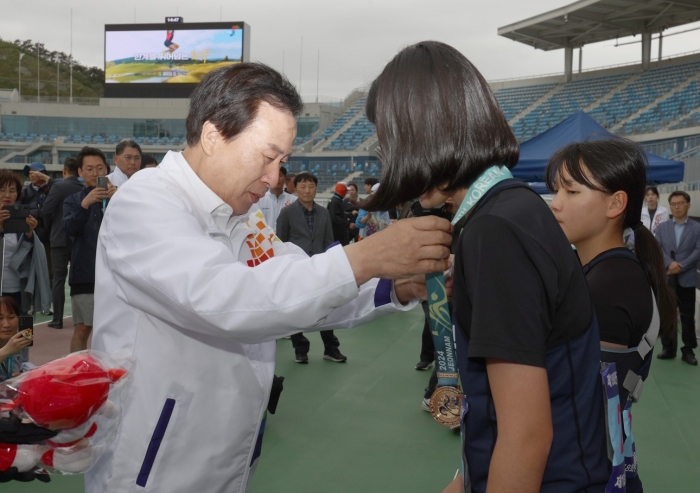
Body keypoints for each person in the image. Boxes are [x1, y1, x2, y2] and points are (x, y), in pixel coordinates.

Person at [86, 63, 452, 493]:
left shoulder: (241, 217)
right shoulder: (145, 202)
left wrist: (395, 284)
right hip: (155, 468)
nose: (275, 177)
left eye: (282, 161)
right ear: (212, 136)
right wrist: (365, 257)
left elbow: (293, 285)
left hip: (225, 459)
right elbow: (225, 299)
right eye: (267, 156)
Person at [365, 41, 608, 493]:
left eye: (391, 142)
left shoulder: (496, 230)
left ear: (425, 134)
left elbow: (527, 436)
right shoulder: (508, 211)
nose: (390, 159)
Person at [546, 139, 677, 492]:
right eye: (556, 190)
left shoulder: (609, 283)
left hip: (580, 469)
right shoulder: (602, 272)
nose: (555, 204)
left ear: (615, 203)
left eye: (571, 191)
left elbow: (574, 400)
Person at [277, 172, 346, 363]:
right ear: (295, 189)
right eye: (303, 187)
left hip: (320, 266)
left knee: (326, 306)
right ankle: (300, 349)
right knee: (297, 308)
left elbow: (329, 240)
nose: (307, 191)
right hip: (297, 268)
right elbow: (281, 242)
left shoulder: (324, 213)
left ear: (316, 188)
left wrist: (331, 262)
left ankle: (331, 348)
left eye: (311, 187)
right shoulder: (287, 213)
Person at [63, 147, 117, 353]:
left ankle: (108, 372)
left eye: (100, 168)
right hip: (85, 274)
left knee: (114, 328)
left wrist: (117, 200)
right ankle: (77, 373)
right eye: (89, 169)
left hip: (115, 275)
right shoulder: (73, 201)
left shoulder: (119, 197)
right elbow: (69, 229)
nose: (95, 173)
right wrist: (84, 206)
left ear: (106, 170)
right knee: (83, 328)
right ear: (80, 172)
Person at [655, 190, 700, 366]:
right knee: (668, 314)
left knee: (687, 315)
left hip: (686, 278)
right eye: (673, 204)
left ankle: (688, 351)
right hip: (668, 278)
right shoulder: (662, 227)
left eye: (680, 203)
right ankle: (668, 348)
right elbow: (658, 248)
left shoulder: (696, 228)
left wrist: (680, 266)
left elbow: (698, 251)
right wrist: (669, 264)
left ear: (688, 204)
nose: (677, 207)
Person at [0, 169, 51, 314]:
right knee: (3, 332)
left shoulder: (20, 220)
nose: (7, 195)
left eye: (12, 190)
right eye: (2, 190)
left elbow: (30, 257)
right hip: (1, 291)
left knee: (25, 333)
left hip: (20, 289)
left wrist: (30, 234)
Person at [41, 157, 84, 329]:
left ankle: (57, 319)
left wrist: (49, 227)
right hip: (79, 238)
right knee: (80, 279)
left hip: (59, 238)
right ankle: (80, 318)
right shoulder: (82, 187)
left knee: (58, 279)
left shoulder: (58, 186)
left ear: (64, 170)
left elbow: (46, 210)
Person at [20, 161, 54, 247]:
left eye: (34, 172)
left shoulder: (52, 190)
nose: (31, 175)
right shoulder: (25, 192)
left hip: (50, 237)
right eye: (29, 173)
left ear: (42, 174)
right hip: (31, 235)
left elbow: (61, 188)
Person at [0, 296, 32, 382]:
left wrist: (24, 374)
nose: (6, 324)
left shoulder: (20, 341)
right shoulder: (15, 344)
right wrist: (7, 350)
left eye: (11, 317)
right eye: (0, 319)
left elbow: (23, 364)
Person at [327, 181, 350, 246]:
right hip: (337, 234)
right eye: (346, 190)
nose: (346, 192)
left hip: (338, 234)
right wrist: (347, 224)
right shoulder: (335, 201)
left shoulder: (337, 200)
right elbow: (334, 217)